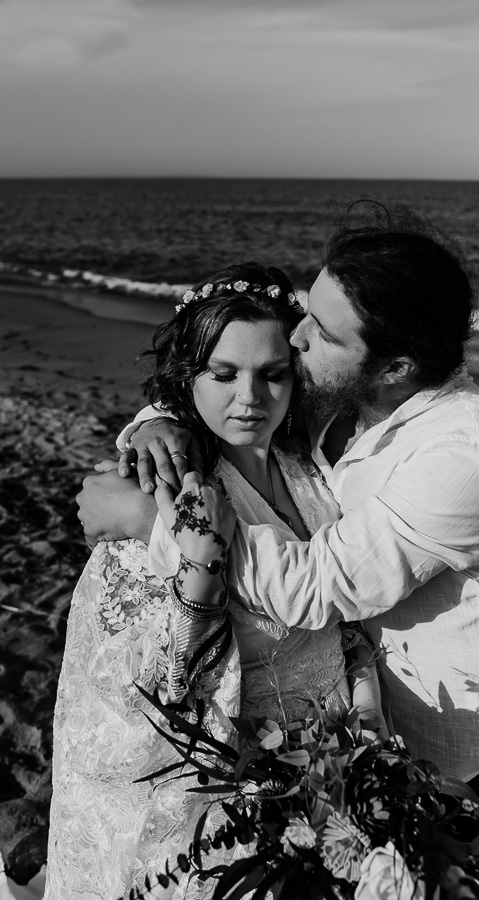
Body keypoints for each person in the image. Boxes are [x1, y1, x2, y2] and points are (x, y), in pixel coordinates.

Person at [78, 202, 479, 847]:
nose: (296, 339)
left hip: (452, 735)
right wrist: (157, 422)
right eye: (305, 312)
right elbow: (226, 371)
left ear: (397, 366)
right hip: (345, 727)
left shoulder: (471, 456)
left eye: (319, 332)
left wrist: (144, 518)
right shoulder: (339, 394)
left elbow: (310, 587)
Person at [45, 263, 384, 900]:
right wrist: (199, 567)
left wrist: (362, 740)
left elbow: (346, 617)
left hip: (330, 771)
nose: (249, 399)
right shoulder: (160, 491)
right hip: (224, 786)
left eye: (273, 374)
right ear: (188, 378)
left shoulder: (309, 472)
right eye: (223, 375)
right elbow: (149, 683)